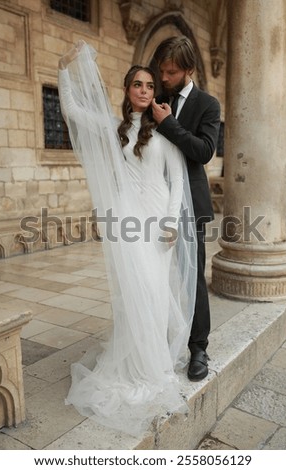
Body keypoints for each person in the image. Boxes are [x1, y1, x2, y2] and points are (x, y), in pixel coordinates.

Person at [57, 41, 197, 437]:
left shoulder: (165, 133)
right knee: (131, 292)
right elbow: (71, 110)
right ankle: (134, 363)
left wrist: (171, 223)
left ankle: (150, 364)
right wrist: (66, 69)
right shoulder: (114, 129)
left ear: (156, 93)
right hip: (126, 221)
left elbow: (175, 183)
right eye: (137, 84)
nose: (144, 91)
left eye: (150, 86)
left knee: (153, 293)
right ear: (127, 89)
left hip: (156, 224)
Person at [152, 36, 221, 382]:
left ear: (188, 70)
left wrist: (168, 124)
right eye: (161, 71)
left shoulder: (208, 104)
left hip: (191, 204)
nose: (163, 78)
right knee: (153, 273)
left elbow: (204, 151)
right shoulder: (155, 96)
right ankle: (153, 342)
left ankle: (198, 348)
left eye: (171, 72)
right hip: (152, 203)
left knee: (192, 278)